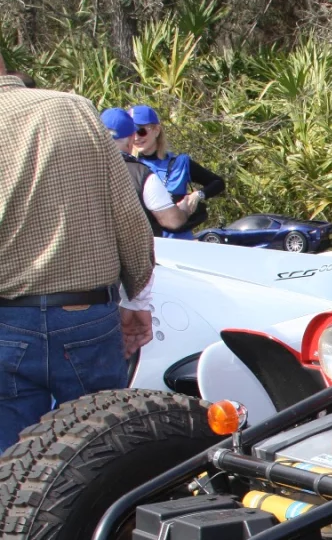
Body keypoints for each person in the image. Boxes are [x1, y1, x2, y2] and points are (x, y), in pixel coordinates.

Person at [0, 57, 156, 448]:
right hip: (85, 315)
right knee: (100, 454)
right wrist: (137, 296)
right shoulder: (70, 108)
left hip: (4, 321)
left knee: (12, 467)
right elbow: (126, 214)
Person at [129, 104, 224, 238]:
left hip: (179, 243)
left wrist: (197, 195)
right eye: (131, 132)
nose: (136, 138)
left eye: (141, 131)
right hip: (147, 243)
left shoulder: (180, 163)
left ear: (156, 130)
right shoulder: (129, 167)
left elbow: (218, 182)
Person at [101, 108, 192, 236]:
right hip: (133, 252)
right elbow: (173, 221)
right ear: (131, 138)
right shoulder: (142, 175)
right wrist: (184, 210)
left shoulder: (80, 170)